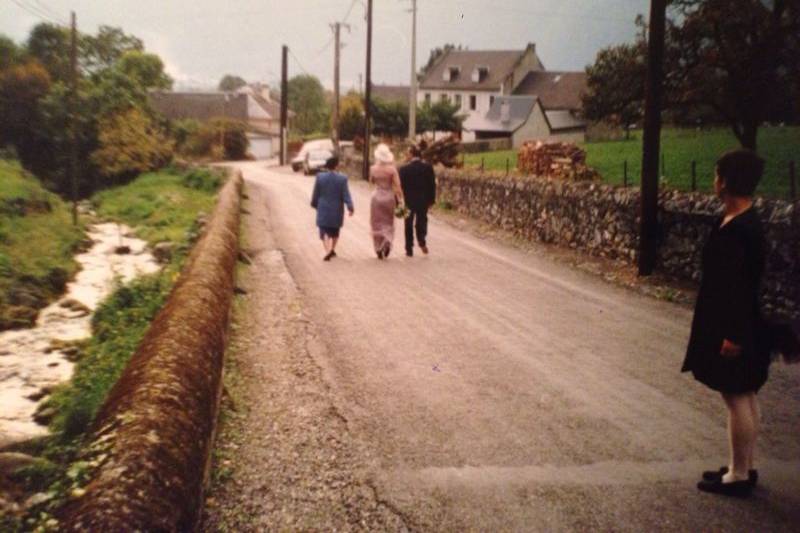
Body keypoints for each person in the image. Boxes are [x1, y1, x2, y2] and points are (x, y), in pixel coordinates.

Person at [681, 149, 768, 498]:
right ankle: (743, 464)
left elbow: (740, 286)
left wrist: (734, 335)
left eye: (718, 175)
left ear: (728, 182)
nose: (714, 181)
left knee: (736, 395)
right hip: (737, 321)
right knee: (743, 393)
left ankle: (739, 473)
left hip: (736, 324)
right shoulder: (740, 221)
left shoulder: (741, 230)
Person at [310, 155, 353, 261]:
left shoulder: (320, 177)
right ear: (337, 166)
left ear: (327, 166)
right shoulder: (342, 178)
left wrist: (314, 203)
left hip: (323, 207)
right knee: (335, 230)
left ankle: (327, 250)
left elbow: (316, 193)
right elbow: (346, 194)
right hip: (337, 208)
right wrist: (350, 206)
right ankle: (332, 249)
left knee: (324, 230)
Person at [399, 140, 436, 257]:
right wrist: (431, 199)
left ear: (411, 154)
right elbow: (432, 185)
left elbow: (400, 187)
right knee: (422, 220)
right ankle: (421, 239)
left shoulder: (404, 169)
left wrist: (399, 201)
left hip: (408, 200)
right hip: (423, 199)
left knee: (408, 223)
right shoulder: (428, 168)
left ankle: (409, 248)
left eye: (408, 153)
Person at [369, 143, 404, 259]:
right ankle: (387, 242)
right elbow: (398, 186)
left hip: (376, 197)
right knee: (388, 222)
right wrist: (401, 199)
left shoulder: (373, 169)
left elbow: (372, 182)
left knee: (376, 222)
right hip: (389, 197)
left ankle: (378, 247)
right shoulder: (392, 170)